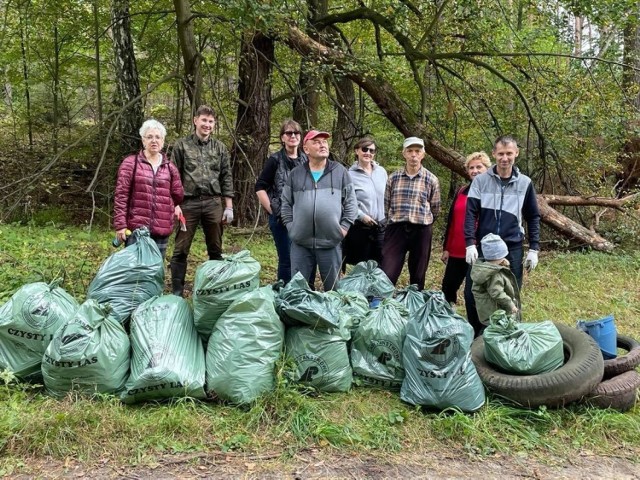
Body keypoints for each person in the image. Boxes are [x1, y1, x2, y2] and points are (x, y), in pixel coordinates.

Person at [280, 130, 357, 291]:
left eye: (324, 142)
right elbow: (286, 203)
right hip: (301, 242)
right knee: (298, 290)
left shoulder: (340, 171)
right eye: (316, 142)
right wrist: (291, 227)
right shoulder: (296, 174)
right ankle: (300, 316)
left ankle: (333, 316)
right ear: (306, 149)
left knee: (333, 290)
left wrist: (342, 229)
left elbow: (351, 204)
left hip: (330, 242)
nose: (322, 144)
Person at [170, 105, 234, 297]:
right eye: (204, 120)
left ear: (214, 124)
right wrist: (175, 205)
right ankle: (177, 292)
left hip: (213, 203)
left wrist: (228, 206)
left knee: (215, 248)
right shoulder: (181, 146)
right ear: (195, 120)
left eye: (211, 121)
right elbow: (173, 176)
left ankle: (215, 290)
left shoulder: (220, 148)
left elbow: (226, 177)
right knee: (181, 249)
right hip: (188, 203)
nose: (207, 124)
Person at [464, 135, 541, 288]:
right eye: (501, 154)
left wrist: (534, 249)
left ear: (516, 153)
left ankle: (510, 313)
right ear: (494, 154)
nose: (504, 158)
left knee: (511, 292)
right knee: (473, 293)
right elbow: (470, 213)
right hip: (484, 245)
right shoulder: (480, 181)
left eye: (509, 153)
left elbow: (532, 216)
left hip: (512, 245)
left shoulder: (525, 183)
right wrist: (470, 244)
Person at [113, 119, 184, 259]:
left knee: (155, 272)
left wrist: (173, 206)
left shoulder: (170, 168)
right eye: (149, 137)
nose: (154, 141)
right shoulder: (130, 163)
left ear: (163, 141)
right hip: (136, 230)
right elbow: (121, 196)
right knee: (135, 273)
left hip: (161, 229)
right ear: (143, 140)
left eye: (158, 137)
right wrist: (121, 225)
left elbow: (178, 195)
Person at [381, 136, 441, 290]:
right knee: (388, 270)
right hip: (397, 228)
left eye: (417, 151)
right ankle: (381, 303)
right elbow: (386, 204)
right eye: (410, 151)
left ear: (423, 154)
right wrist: (392, 221)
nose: (414, 155)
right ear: (404, 154)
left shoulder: (431, 179)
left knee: (418, 273)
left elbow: (435, 208)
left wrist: (424, 222)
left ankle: (415, 302)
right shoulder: (393, 178)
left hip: (421, 229)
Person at [255, 119, 307, 284]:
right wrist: (273, 210)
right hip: (281, 218)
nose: (293, 136)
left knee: (303, 258)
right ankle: (284, 295)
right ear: (282, 138)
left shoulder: (306, 160)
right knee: (287, 258)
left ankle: (301, 293)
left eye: (296, 133)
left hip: (303, 218)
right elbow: (260, 187)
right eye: (288, 133)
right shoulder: (275, 160)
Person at [440, 151, 491, 304]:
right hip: (456, 249)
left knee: (473, 291)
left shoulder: (490, 193)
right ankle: (450, 317)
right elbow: (452, 220)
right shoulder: (462, 191)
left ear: (487, 169)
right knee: (448, 287)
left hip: (478, 250)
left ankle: (475, 323)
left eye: (479, 167)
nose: (474, 171)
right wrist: (446, 248)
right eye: (471, 168)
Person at [342, 137, 388, 269]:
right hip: (361, 227)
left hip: (381, 226)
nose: (368, 153)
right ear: (357, 151)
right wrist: (361, 216)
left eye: (372, 150)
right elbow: (346, 201)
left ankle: (375, 290)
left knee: (380, 264)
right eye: (365, 149)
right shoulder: (348, 175)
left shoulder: (381, 172)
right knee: (361, 265)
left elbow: (387, 196)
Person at [470, 233, 520, 328]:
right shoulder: (494, 274)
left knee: (489, 327)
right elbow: (497, 293)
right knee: (493, 330)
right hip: (495, 312)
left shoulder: (487, 268)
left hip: (489, 312)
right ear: (498, 256)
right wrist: (510, 304)